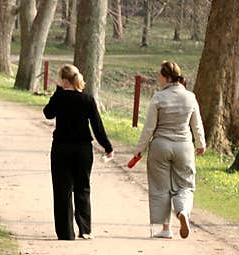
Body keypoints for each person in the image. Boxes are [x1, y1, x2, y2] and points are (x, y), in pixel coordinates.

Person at [130, 61, 205, 239]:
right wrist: (200, 143)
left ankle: (165, 228)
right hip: (184, 146)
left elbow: (149, 127)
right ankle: (183, 211)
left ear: (167, 77)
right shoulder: (190, 97)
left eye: (159, 76)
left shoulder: (158, 97)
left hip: (160, 146)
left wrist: (139, 149)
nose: (158, 79)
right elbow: (197, 124)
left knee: (160, 187)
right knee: (185, 185)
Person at [43, 64, 114, 240]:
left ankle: (66, 232)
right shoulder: (87, 99)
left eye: (60, 80)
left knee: (62, 190)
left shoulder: (60, 98)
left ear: (65, 81)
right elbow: (97, 126)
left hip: (61, 148)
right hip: (83, 149)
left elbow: (48, 113)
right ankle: (85, 229)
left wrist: (57, 92)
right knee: (83, 187)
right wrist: (107, 146)